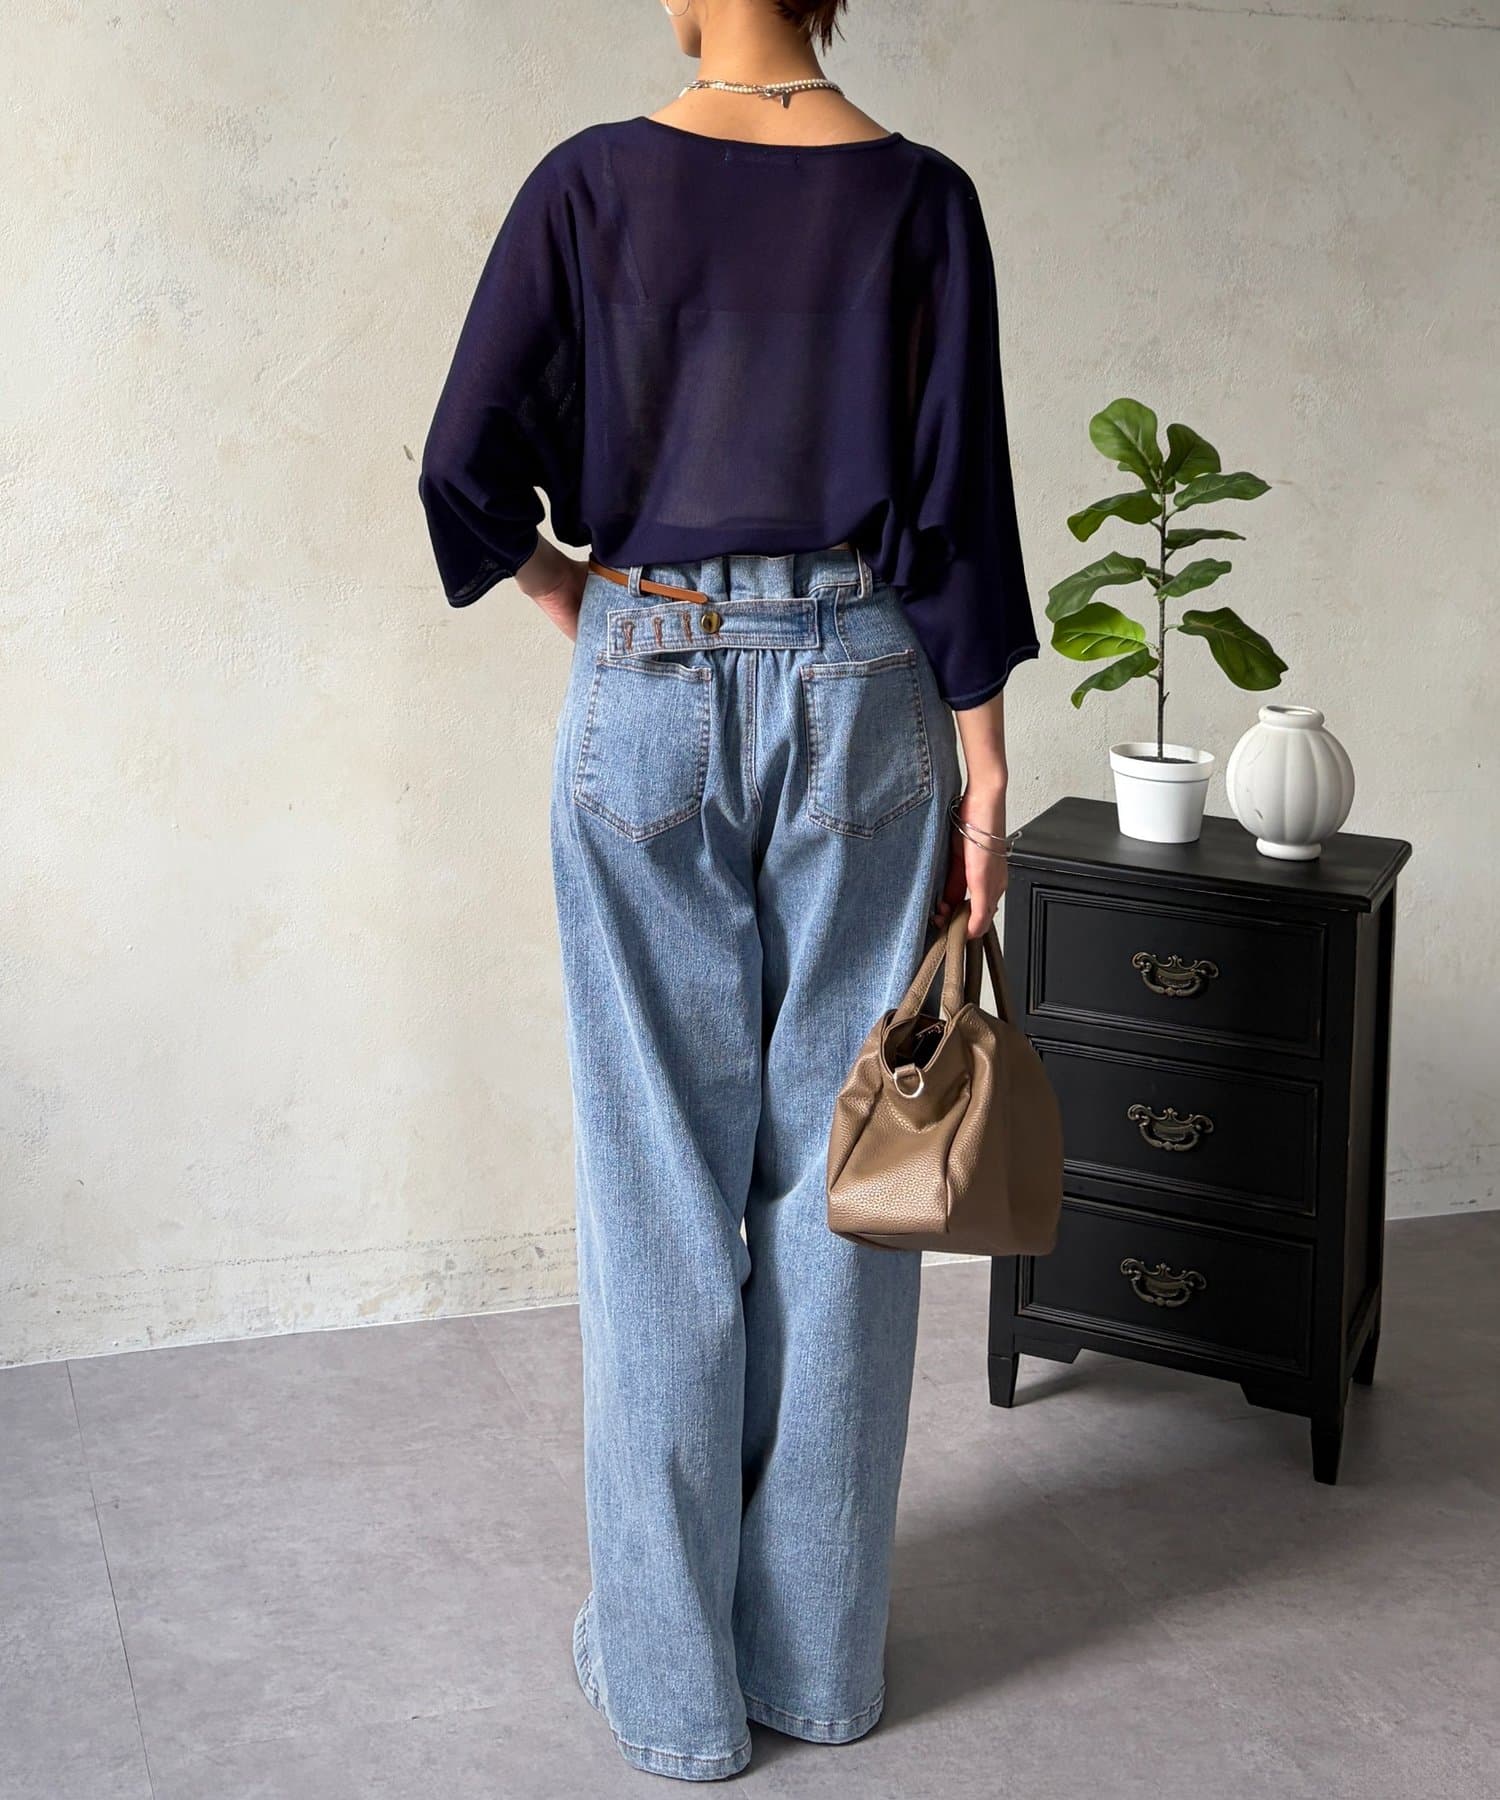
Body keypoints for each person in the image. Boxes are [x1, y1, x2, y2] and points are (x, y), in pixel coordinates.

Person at [418, 0, 1038, 1780]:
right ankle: (817, 1668)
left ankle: (676, 1693)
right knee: (849, 1182)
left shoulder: (591, 186)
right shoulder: (923, 198)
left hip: (651, 669)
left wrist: (575, 595)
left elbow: (464, 465)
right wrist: (987, 758)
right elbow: (959, 503)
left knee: (655, 1196)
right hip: (869, 683)